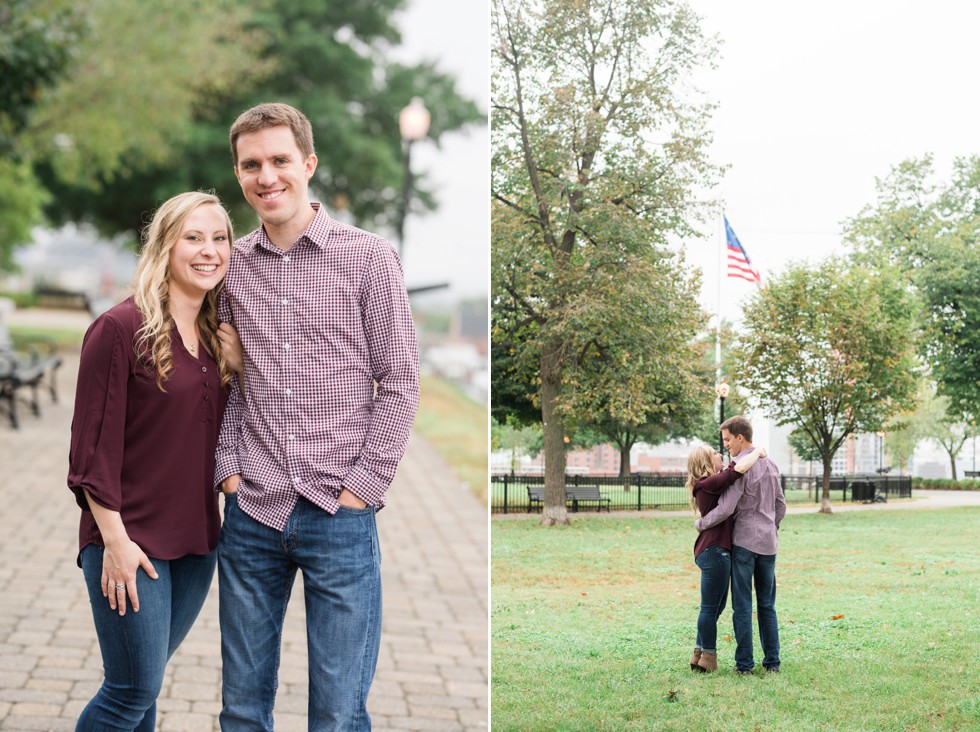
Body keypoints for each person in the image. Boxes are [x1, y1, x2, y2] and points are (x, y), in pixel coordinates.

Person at [214, 102, 421, 731]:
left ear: (308, 163)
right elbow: (223, 382)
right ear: (239, 173)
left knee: (336, 712)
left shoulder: (369, 258)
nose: (266, 176)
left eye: (279, 160)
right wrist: (227, 469)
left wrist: (363, 490)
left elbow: (400, 380)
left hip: (339, 513)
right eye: (251, 165)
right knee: (242, 709)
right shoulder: (230, 265)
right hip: (251, 510)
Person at [68, 191, 240, 730]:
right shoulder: (120, 329)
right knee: (129, 691)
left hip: (195, 544)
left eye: (219, 238)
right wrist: (115, 544)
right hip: (130, 541)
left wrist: (234, 372)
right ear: (165, 246)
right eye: (193, 237)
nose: (208, 250)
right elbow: (89, 454)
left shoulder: (216, 341)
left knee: (145, 689)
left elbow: (214, 435)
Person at [695, 415, 786, 674]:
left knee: (743, 605)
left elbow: (725, 508)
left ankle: (744, 665)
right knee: (767, 605)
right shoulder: (771, 465)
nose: (726, 446)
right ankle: (772, 663)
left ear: (740, 437)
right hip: (769, 544)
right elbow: (781, 506)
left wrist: (700, 523)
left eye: (727, 440)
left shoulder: (739, 467)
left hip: (745, 543)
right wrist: (771, 526)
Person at [685, 443, 767, 673]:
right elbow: (737, 470)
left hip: (712, 551)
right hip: (715, 551)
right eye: (714, 453)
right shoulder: (707, 483)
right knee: (710, 608)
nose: (720, 453)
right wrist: (757, 452)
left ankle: (699, 652)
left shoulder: (707, 485)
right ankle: (708, 657)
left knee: (714, 607)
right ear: (706, 462)